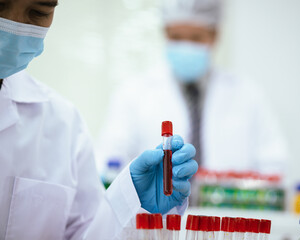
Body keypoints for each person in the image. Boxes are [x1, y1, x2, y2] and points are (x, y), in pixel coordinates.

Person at [0, 0, 198, 239]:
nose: (14, 27)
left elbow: (88, 233)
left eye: (39, 12)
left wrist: (134, 204)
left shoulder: (62, 123)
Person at [97, 0, 287, 175]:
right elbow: (109, 163)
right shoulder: (132, 93)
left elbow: (274, 164)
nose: (186, 46)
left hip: (228, 209)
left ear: (214, 36)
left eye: (196, 38)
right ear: (165, 34)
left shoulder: (247, 93)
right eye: (177, 37)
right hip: (156, 212)